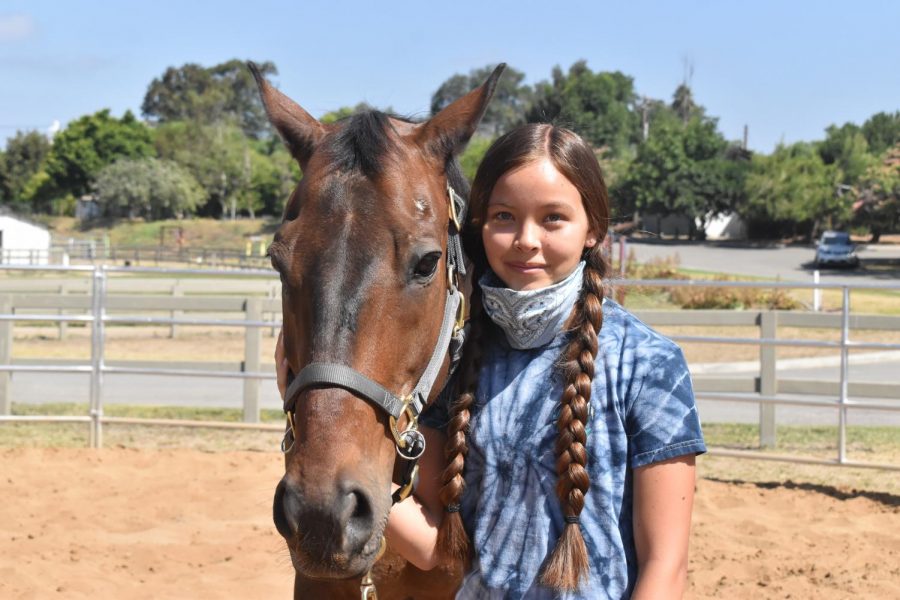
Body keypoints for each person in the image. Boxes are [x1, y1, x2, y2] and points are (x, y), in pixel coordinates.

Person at [275, 123, 706, 599]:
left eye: (553, 218)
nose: (525, 239)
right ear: (480, 226)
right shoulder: (461, 360)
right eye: (504, 216)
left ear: (594, 229)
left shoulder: (650, 366)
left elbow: (666, 566)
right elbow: (434, 548)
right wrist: (314, 425)